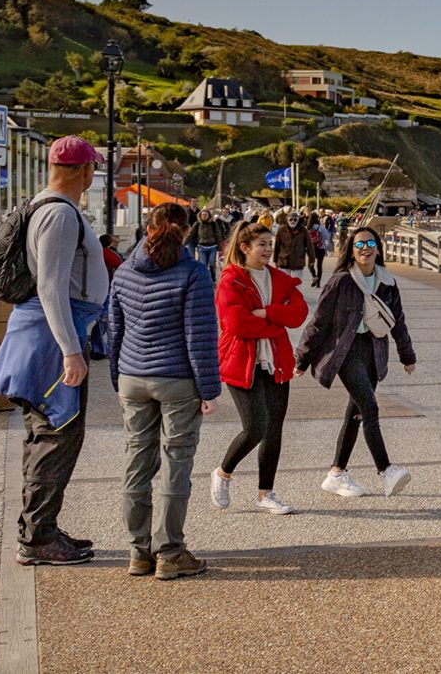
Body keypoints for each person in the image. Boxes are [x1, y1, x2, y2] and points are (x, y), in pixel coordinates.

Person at [0, 136, 110, 566]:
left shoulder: (49, 207)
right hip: (50, 339)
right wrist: (70, 351)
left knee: (48, 434)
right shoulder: (59, 214)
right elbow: (51, 286)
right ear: (85, 171)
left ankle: (41, 528)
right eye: (93, 167)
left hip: (45, 334)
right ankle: (38, 539)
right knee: (56, 434)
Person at [106, 203, 217, 579]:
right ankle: (169, 551)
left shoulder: (123, 271)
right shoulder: (194, 273)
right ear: (185, 231)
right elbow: (198, 336)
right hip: (177, 378)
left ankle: (138, 552)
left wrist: (117, 379)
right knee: (176, 461)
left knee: (137, 460)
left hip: (133, 376)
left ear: (146, 228)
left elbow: (114, 330)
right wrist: (209, 388)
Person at [298, 226, 419, 499]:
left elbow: (398, 322)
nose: (365, 248)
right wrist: (303, 359)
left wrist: (407, 356)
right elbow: (319, 322)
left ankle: (337, 473)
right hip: (345, 352)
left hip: (374, 350)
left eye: (370, 243)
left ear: (378, 248)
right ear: (351, 250)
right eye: (359, 244)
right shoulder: (341, 281)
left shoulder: (387, 282)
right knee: (369, 407)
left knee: (354, 415)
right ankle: (386, 470)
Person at [211, 221, 309, 515]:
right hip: (243, 362)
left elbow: (299, 314)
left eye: (271, 244)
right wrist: (276, 325)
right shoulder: (231, 280)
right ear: (245, 248)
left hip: (276, 362)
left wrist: (267, 313)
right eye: (262, 245)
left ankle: (266, 493)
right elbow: (236, 323)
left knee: (274, 429)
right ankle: (223, 473)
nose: (268, 249)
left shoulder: (280, 279)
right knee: (255, 428)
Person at [274, 212, 310, 281]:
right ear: (287, 220)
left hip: (298, 261)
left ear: (298, 220)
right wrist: (275, 260)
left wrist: (312, 259)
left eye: (295, 220)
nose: (293, 221)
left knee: (297, 283)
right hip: (284, 260)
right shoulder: (281, 230)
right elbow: (277, 246)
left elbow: (309, 245)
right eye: (291, 219)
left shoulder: (303, 231)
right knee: (284, 283)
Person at [192, 209, 226, 276]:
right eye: (202, 215)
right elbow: (191, 234)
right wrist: (183, 244)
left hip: (212, 247)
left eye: (205, 215)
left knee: (212, 264)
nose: (204, 216)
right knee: (203, 264)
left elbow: (218, 235)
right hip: (201, 248)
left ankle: (213, 278)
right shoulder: (197, 224)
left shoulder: (213, 224)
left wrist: (220, 248)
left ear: (209, 216)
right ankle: (204, 278)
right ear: (200, 216)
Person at [305, 215, 329, 288]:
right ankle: (318, 284)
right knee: (319, 266)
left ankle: (314, 276)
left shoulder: (308, 228)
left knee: (310, 265)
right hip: (320, 248)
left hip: (311, 249)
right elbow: (327, 236)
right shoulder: (321, 227)